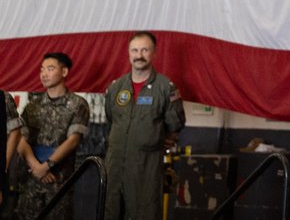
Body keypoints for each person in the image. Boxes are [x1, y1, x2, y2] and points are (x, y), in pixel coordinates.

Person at [105, 32, 184, 220]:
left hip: (146, 167)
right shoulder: (116, 87)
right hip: (115, 164)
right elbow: (111, 118)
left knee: (146, 213)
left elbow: (175, 124)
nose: (139, 55)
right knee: (111, 211)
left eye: (144, 50)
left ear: (154, 53)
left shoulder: (166, 87)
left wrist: (157, 138)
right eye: (134, 50)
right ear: (128, 53)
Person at [13, 53, 88, 220]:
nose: (44, 74)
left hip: (58, 184)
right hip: (30, 183)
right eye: (42, 70)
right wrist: (36, 167)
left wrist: (46, 166)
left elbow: (73, 140)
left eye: (50, 68)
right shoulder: (32, 107)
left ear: (64, 72)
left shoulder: (77, 104)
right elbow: (20, 139)